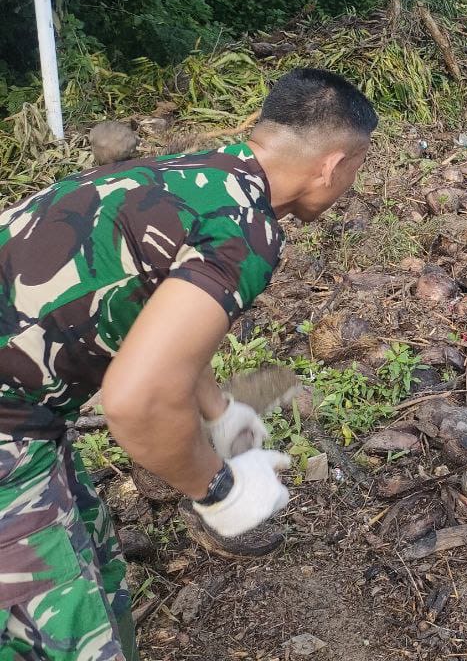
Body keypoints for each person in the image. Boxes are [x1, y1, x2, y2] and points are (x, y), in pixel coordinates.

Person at [0, 69, 376, 661]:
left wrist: (218, 411)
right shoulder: (243, 231)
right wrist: (219, 490)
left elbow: (151, 316)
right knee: (63, 635)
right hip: (10, 427)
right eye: (357, 169)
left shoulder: (190, 175)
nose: (350, 184)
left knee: (93, 552)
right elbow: (137, 402)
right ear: (332, 166)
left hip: (28, 413)